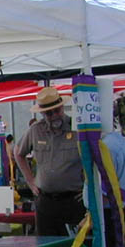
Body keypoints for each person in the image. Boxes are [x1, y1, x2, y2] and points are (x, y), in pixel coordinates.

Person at [14, 86, 85, 236]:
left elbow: (93, 157)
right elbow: (18, 153)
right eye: (48, 113)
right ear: (42, 114)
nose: (54, 116)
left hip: (73, 200)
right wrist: (30, 181)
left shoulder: (77, 129)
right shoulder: (35, 130)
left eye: (56, 111)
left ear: (62, 107)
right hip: (46, 201)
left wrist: (88, 186)